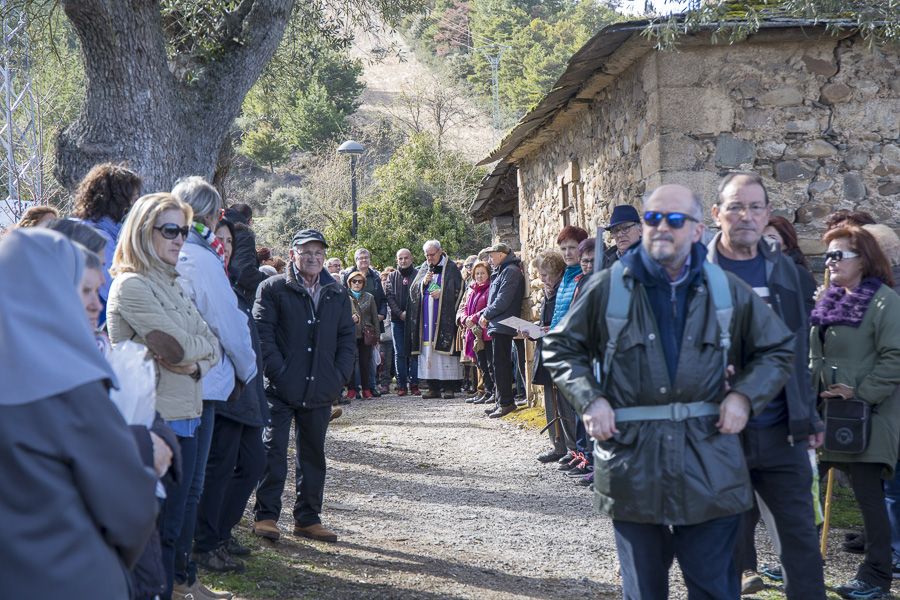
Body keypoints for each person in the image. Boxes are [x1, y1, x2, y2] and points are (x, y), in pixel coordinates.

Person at [543, 184, 794, 599]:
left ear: (697, 230)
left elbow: (778, 349)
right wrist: (591, 398)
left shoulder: (726, 289)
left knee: (715, 590)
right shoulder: (609, 287)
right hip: (632, 463)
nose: (662, 227)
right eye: (653, 218)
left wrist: (744, 396)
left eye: (675, 219)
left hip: (710, 462)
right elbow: (560, 347)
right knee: (644, 591)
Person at [0, 228, 159, 599]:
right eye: (82, 289)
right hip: (74, 578)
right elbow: (130, 509)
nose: (94, 303)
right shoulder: (72, 385)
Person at [708, 172, 825, 598]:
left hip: (781, 432)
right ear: (717, 213)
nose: (746, 216)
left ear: (767, 213)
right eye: (736, 207)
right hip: (717, 435)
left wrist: (808, 416)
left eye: (755, 207)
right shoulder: (694, 275)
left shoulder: (786, 272)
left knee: (801, 544)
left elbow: (797, 350)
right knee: (717, 548)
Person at [106, 192, 221, 598]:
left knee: (174, 527)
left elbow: (211, 345)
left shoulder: (172, 282)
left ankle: (174, 587)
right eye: (171, 230)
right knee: (155, 532)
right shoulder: (131, 285)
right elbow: (177, 347)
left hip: (188, 412)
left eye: (185, 231)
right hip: (156, 421)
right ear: (143, 231)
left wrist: (195, 364)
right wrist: (193, 354)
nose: (180, 239)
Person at [171, 177, 257, 589]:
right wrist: (247, 370)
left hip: (183, 378)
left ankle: (181, 571)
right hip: (202, 382)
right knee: (191, 485)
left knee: (187, 481)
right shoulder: (201, 258)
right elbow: (228, 323)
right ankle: (181, 575)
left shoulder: (175, 252)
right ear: (208, 214)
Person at [812, 226, 900, 600]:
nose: (830, 262)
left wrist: (859, 394)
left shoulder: (885, 302)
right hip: (826, 414)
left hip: (868, 417)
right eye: (827, 255)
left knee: (869, 498)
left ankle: (876, 577)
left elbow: (895, 356)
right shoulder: (830, 299)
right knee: (798, 488)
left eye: (838, 255)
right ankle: (798, 563)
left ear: (863, 260)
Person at [252, 229, 355, 544]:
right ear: (293, 254)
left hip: (320, 388)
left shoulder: (336, 292)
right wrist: (279, 373)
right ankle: (266, 515)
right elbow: (262, 336)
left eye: (318, 252)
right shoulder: (272, 288)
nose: (312, 258)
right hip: (280, 388)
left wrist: (338, 376)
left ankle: (308, 519)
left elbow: (346, 338)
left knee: (313, 455)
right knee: (273, 450)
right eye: (306, 252)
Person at [195, 216, 270, 584]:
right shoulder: (210, 279)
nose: (223, 247)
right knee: (220, 468)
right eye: (218, 239)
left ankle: (221, 532)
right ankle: (208, 540)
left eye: (229, 241)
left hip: (246, 390)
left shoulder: (236, 285)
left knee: (253, 464)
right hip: (224, 392)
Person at [72, 163, 143, 325]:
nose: (135, 207)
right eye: (133, 199)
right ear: (118, 201)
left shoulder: (79, 228)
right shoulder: (101, 240)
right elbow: (118, 294)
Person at [549, 225, 591, 472]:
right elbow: (559, 312)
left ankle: (586, 454)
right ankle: (577, 450)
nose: (567, 253)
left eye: (572, 248)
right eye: (563, 248)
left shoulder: (582, 277)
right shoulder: (566, 275)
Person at [408, 240, 464, 399]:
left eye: (432, 255)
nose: (429, 258)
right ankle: (433, 388)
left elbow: (460, 290)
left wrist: (443, 294)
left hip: (444, 319)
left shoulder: (451, 268)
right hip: (426, 320)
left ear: (440, 251)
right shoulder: (424, 267)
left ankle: (449, 388)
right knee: (429, 353)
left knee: (444, 354)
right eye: (427, 255)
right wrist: (424, 284)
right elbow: (413, 290)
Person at [529, 250, 571, 463]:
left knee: (565, 401)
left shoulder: (565, 288)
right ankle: (557, 445)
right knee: (550, 399)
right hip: (546, 349)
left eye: (545, 275)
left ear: (556, 272)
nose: (542, 279)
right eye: (540, 275)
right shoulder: (549, 291)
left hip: (561, 351)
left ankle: (571, 447)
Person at [479, 242, 526, 418]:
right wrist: (484, 314)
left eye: (492, 256)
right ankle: (501, 401)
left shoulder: (510, 271)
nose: (490, 259)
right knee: (498, 364)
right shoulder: (502, 271)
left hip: (504, 323)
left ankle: (506, 402)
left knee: (501, 364)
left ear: (501, 255)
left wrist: (486, 314)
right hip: (498, 322)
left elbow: (503, 300)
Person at [763, 215, 817, 314]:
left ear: (786, 243)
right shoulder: (758, 271)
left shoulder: (798, 273)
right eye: (761, 237)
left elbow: (808, 312)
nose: (765, 241)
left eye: (772, 237)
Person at [458, 260, 494, 406]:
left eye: (482, 273)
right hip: (474, 332)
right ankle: (486, 392)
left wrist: (473, 318)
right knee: (480, 365)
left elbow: (489, 307)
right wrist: (464, 318)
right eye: (477, 273)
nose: (479, 276)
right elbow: (464, 307)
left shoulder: (490, 288)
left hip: (486, 333)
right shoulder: (471, 289)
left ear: (488, 274)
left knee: (489, 365)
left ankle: (492, 392)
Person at [386, 248, 420, 396]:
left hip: (415, 320)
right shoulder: (391, 276)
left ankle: (415, 384)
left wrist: (411, 313)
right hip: (397, 320)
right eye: (400, 258)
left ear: (411, 259)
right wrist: (400, 313)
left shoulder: (419, 274)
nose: (403, 261)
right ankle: (401, 385)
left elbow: (424, 294)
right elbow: (389, 297)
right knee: (399, 353)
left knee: (414, 352)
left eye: (406, 258)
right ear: (397, 260)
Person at [224, 204, 267, 306]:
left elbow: (232, 261)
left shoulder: (219, 226)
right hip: (237, 297)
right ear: (249, 220)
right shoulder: (243, 233)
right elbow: (245, 272)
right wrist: (271, 280)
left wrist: (256, 257)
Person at [347, 270, 380, 399]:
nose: (356, 283)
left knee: (365, 363)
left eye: (359, 281)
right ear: (349, 283)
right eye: (354, 281)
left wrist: (377, 336)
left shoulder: (369, 297)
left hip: (366, 334)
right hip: (349, 334)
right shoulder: (344, 297)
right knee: (349, 362)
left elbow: (375, 318)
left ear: (363, 283)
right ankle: (351, 390)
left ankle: (366, 389)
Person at [601, 205, 642, 269]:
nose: (619, 235)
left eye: (625, 228)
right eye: (615, 230)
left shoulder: (654, 257)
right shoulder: (605, 260)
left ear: (640, 230)